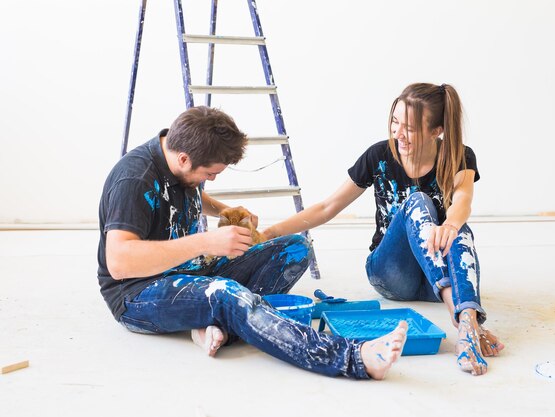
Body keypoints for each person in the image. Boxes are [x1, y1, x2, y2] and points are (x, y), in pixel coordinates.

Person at [97, 106, 408, 380]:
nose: (213, 179)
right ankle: (352, 358)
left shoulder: (178, 162)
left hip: (186, 272)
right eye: (210, 173)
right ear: (183, 157)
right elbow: (120, 261)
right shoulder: (134, 179)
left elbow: (185, 190)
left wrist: (222, 210)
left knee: (294, 249)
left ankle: (213, 322)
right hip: (137, 293)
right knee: (225, 293)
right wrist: (205, 242)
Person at [263, 83, 505, 376]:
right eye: (395, 122)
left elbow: (463, 199)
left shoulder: (459, 156)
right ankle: (467, 319)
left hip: (435, 282)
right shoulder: (379, 156)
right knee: (417, 202)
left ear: (436, 130)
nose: (398, 133)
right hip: (392, 275)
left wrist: (451, 224)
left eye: (411, 128)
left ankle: (468, 322)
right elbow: (328, 207)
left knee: (459, 229)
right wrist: (270, 232)